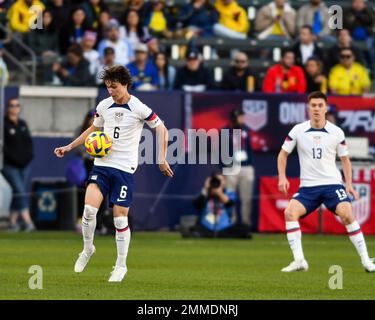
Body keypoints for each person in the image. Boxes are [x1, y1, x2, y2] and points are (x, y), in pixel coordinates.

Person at [54, 65, 173, 282]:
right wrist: (70, 146)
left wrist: (161, 158)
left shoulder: (137, 106)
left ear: (125, 84)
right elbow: (93, 129)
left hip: (124, 169)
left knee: (119, 219)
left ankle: (120, 265)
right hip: (101, 165)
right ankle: (88, 249)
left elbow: (161, 128)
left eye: (114, 87)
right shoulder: (103, 105)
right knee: (89, 210)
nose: (111, 91)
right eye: (108, 87)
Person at [277, 91, 375, 273]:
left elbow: (345, 160)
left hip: (332, 184)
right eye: (313, 105)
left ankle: (366, 261)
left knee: (346, 214)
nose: (316, 109)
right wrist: (282, 177)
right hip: (308, 187)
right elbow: (283, 154)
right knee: (290, 213)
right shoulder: (298, 130)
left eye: (320, 105)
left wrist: (349, 184)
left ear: (326, 108)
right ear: (308, 107)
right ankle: (299, 261)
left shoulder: (336, 132)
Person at [2, 98, 35, 232]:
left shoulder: (22, 123)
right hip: (10, 165)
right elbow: (4, 148)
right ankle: (28, 222)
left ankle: (12, 223)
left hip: (24, 165)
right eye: (12, 105)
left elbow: (28, 142)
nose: (14, 108)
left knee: (18, 192)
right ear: (7, 107)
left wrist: (28, 156)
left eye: (17, 105)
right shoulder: (3, 124)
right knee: (20, 191)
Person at [190, 172, 251, 238]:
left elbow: (230, 204)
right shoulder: (204, 192)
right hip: (207, 227)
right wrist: (206, 189)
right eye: (217, 180)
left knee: (245, 228)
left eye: (221, 180)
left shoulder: (229, 192)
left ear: (225, 182)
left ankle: (216, 235)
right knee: (192, 228)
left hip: (224, 227)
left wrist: (220, 193)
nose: (219, 182)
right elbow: (197, 205)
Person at [222, 108, 255, 227]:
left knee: (247, 198)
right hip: (231, 167)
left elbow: (249, 147)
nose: (242, 119)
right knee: (230, 197)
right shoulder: (226, 131)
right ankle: (231, 222)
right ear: (234, 118)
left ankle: (246, 223)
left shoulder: (245, 129)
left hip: (246, 167)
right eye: (240, 117)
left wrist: (250, 163)